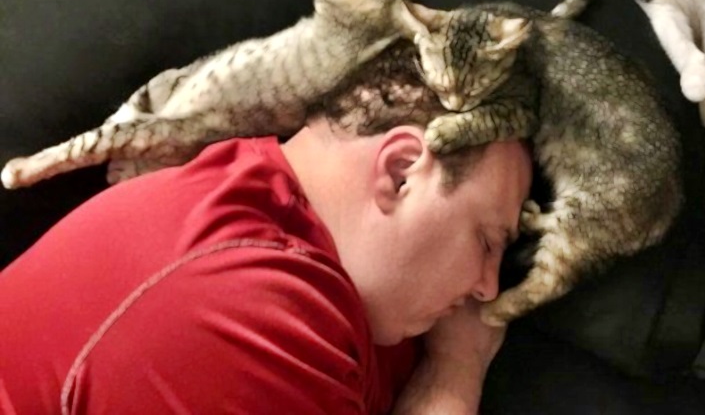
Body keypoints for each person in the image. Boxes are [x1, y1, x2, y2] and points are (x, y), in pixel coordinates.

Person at [0, 55, 533, 414]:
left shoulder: (360, 289)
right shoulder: (239, 303)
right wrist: (456, 372)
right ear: (400, 172)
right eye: (486, 241)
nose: (487, 287)